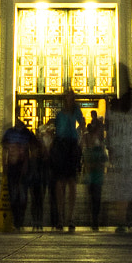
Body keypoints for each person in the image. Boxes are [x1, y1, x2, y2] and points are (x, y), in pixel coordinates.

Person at [104, 95, 132, 231]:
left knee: (121, 192)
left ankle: (122, 221)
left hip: (119, 159)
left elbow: (109, 141)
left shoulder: (112, 119)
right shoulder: (130, 119)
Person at [51, 90, 83, 230]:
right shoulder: (59, 114)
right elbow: (56, 129)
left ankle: (70, 217)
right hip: (61, 146)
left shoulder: (76, 111)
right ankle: (60, 217)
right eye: (68, 97)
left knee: (71, 182)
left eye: (72, 97)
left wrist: (80, 139)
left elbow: (82, 125)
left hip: (71, 146)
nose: (70, 99)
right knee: (60, 183)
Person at [1, 117, 35, 225]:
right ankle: (18, 218)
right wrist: (4, 164)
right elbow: (4, 149)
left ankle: (19, 218)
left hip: (22, 166)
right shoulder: (11, 133)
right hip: (14, 166)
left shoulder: (25, 133)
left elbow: (32, 148)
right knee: (15, 193)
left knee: (20, 193)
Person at [81, 112, 109, 230]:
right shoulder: (93, 144)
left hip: (94, 176)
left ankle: (94, 218)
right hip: (94, 175)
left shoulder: (92, 144)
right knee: (94, 197)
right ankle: (94, 218)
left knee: (94, 197)